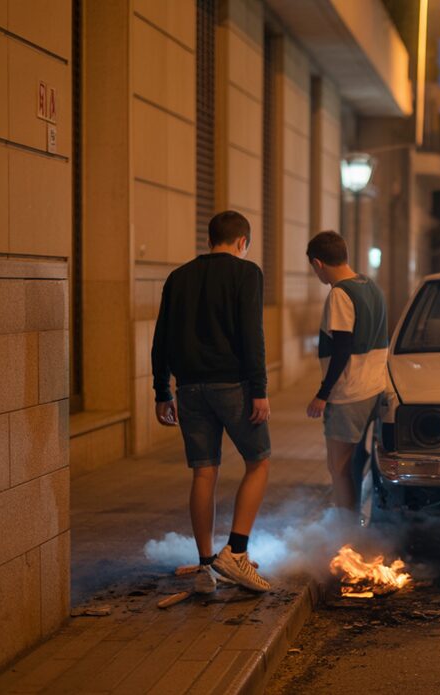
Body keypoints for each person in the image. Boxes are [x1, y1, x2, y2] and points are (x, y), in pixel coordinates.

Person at [152, 210, 272, 594]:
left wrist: (162, 391)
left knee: (204, 472)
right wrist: (260, 389)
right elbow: (252, 335)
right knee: (258, 462)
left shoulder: (178, 277)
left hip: (188, 389)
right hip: (233, 387)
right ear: (242, 242)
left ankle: (206, 567)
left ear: (210, 239)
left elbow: (161, 339)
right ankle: (236, 554)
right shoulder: (247, 273)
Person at [304, 231, 389, 523]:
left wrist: (322, 393)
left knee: (338, 467)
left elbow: (342, 347)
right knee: (357, 463)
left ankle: (346, 532)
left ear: (318, 264)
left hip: (349, 392)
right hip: (374, 387)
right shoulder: (371, 285)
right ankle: (355, 525)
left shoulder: (340, 293)